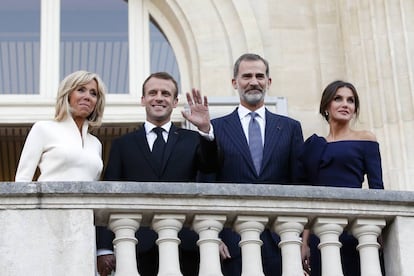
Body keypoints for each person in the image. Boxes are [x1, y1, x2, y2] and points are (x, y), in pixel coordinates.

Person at [96, 72, 218, 276]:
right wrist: (104, 248)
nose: (159, 97)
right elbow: (109, 195)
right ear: (143, 99)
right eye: (153, 93)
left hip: (185, 244)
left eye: (166, 93)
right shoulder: (123, 145)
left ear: (175, 101)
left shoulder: (194, 139)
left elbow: (211, 167)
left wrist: (205, 129)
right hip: (136, 245)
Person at [200, 53, 304, 276]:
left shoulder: (290, 128)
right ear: (234, 82)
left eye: (259, 75)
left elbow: (300, 185)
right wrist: (213, 236)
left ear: (269, 81)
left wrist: (303, 239)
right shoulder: (216, 128)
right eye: (247, 76)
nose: (254, 81)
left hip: (282, 241)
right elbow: (207, 185)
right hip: (232, 242)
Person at [298, 80, 384, 276]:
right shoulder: (313, 145)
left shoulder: (366, 139)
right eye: (338, 99)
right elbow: (308, 196)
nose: (346, 104)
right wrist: (304, 243)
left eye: (351, 101)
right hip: (321, 230)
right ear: (326, 106)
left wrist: (379, 232)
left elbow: (377, 188)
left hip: (356, 228)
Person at [15, 70, 106, 182]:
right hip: (51, 199)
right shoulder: (43, 128)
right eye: (81, 90)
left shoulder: (96, 144)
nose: (88, 97)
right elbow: (22, 180)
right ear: (67, 95)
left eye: (93, 93)